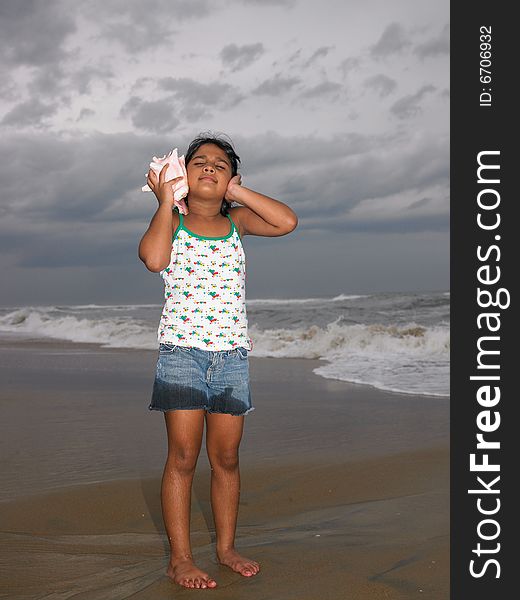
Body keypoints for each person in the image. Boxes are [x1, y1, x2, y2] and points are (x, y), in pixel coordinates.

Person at [138, 133, 298, 589]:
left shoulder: (238, 224)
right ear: (183, 175)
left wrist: (238, 194)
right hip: (181, 354)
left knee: (226, 457)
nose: (209, 168)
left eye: (220, 165)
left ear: (232, 179)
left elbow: (286, 222)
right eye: (200, 162)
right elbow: (153, 260)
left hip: (231, 358)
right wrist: (166, 200)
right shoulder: (172, 222)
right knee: (184, 457)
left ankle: (226, 547)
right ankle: (181, 558)